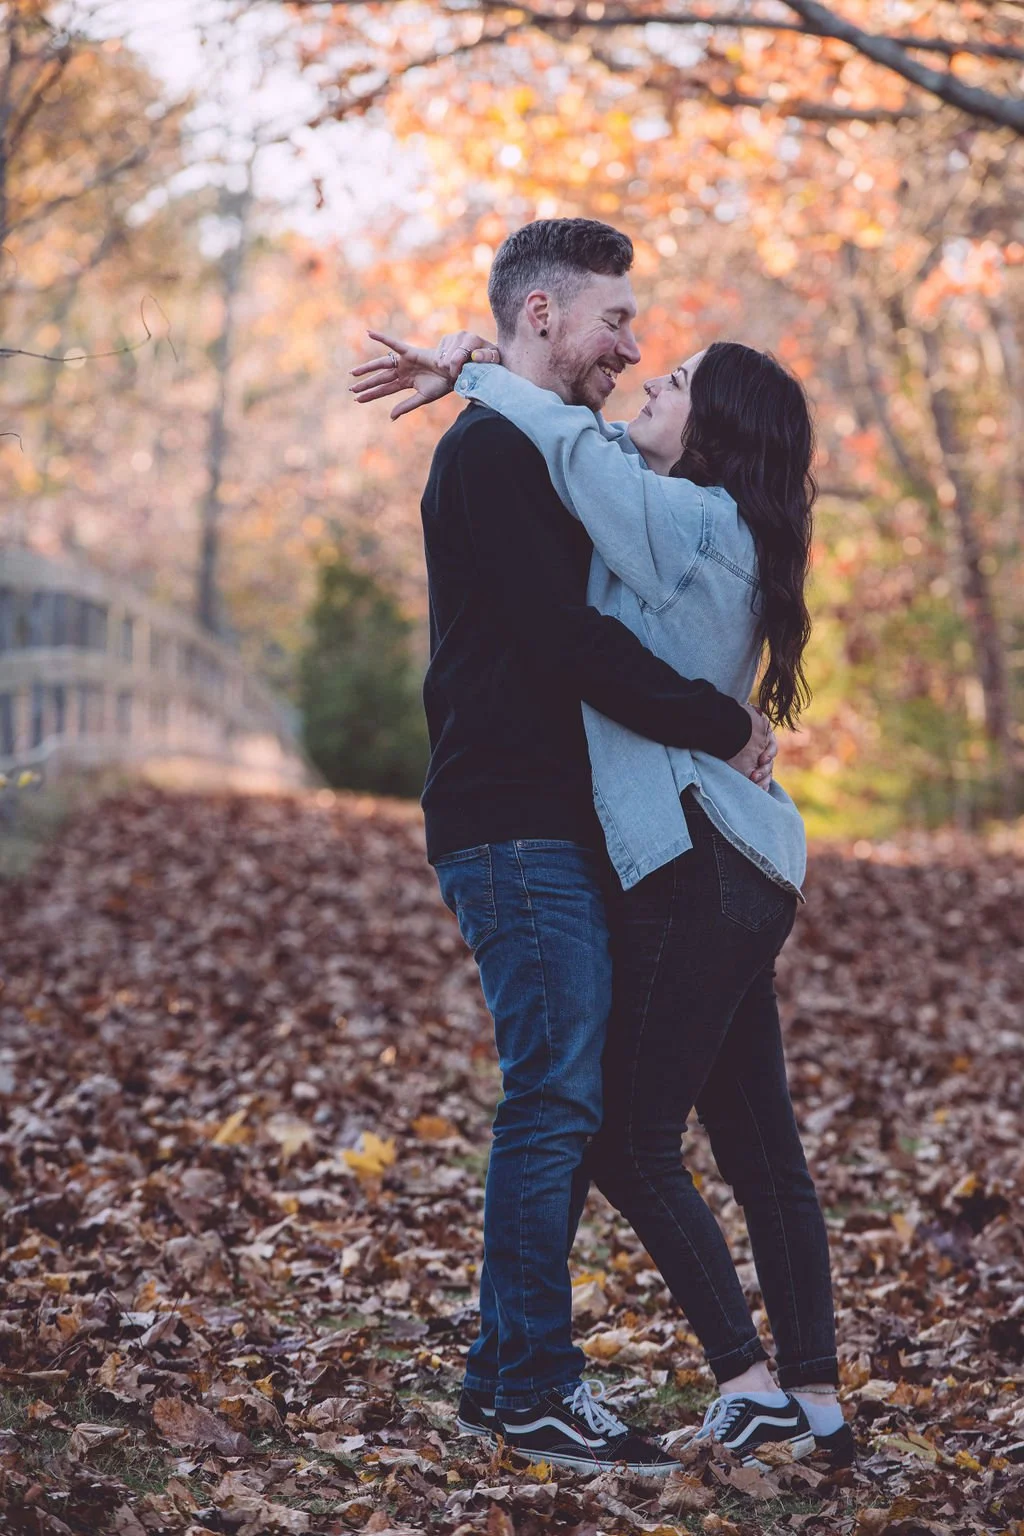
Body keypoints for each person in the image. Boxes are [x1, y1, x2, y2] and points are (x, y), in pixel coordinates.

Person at [353, 318, 853, 1470]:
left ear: (712, 430)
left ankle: (750, 1383)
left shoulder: (681, 522)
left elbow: (575, 454)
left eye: (672, 383)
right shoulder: (722, 524)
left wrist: (475, 376)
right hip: (745, 867)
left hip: (690, 874)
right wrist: (479, 372)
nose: (647, 379)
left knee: (627, 1141)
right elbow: (590, 448)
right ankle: (815, 1399)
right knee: (757, 1140)